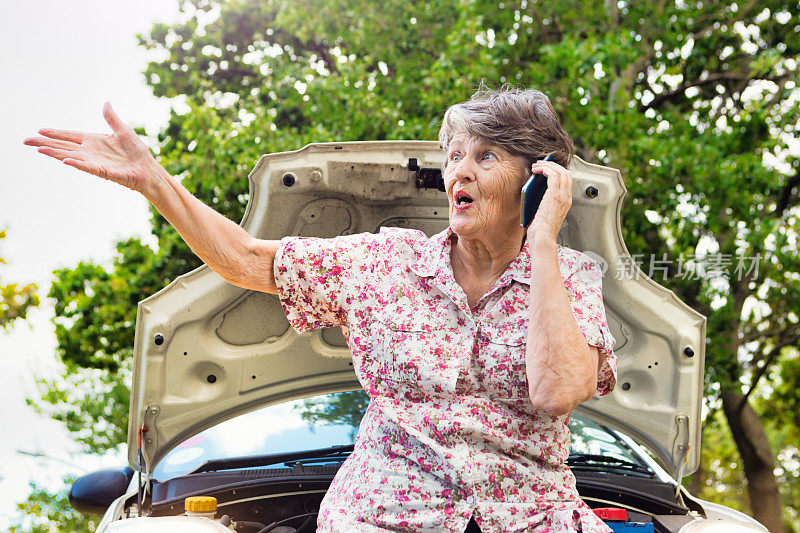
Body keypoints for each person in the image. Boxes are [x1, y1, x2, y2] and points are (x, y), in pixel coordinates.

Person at [24, 85, 617, 533]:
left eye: (486, 157)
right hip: (383, 516)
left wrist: (543, 241)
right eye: (455, 154)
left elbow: (555, 391)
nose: (459, 169)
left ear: (537, 179)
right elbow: (244, 260)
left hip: (529, 519)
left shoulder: (570, 278)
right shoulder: (388, 263)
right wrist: (155, 181)